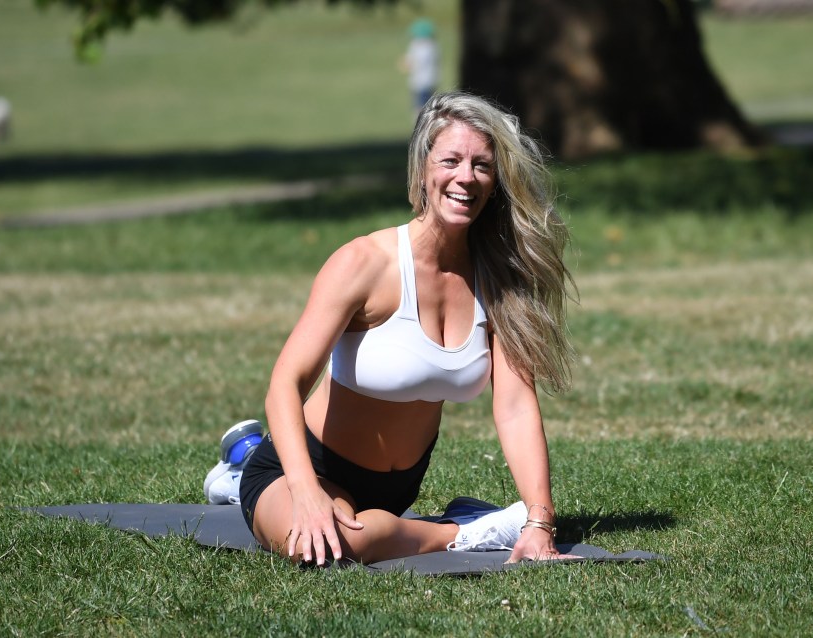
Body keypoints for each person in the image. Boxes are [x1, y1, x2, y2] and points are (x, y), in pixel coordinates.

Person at [237, 91, 576, 566]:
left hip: (393, 492)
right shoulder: (365, 263)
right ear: (422, 170)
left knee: (353, 535)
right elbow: (284, 384)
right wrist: (305, 491)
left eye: (481, 165)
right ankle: (467, 531)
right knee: (320, 547)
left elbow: (516, 406)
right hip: (308, 469)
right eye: (451, 160)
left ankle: (430, 526)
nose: (466, 177)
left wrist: (540, 521)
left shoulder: (498, 280)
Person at [400, 19, 440, 116]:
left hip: (423, 82)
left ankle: (420, 124)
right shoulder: (432, 46)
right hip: (424, 82)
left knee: (422, 106)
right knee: (424, 105)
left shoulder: (425, 47)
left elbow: (414, 62)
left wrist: (406, 64)